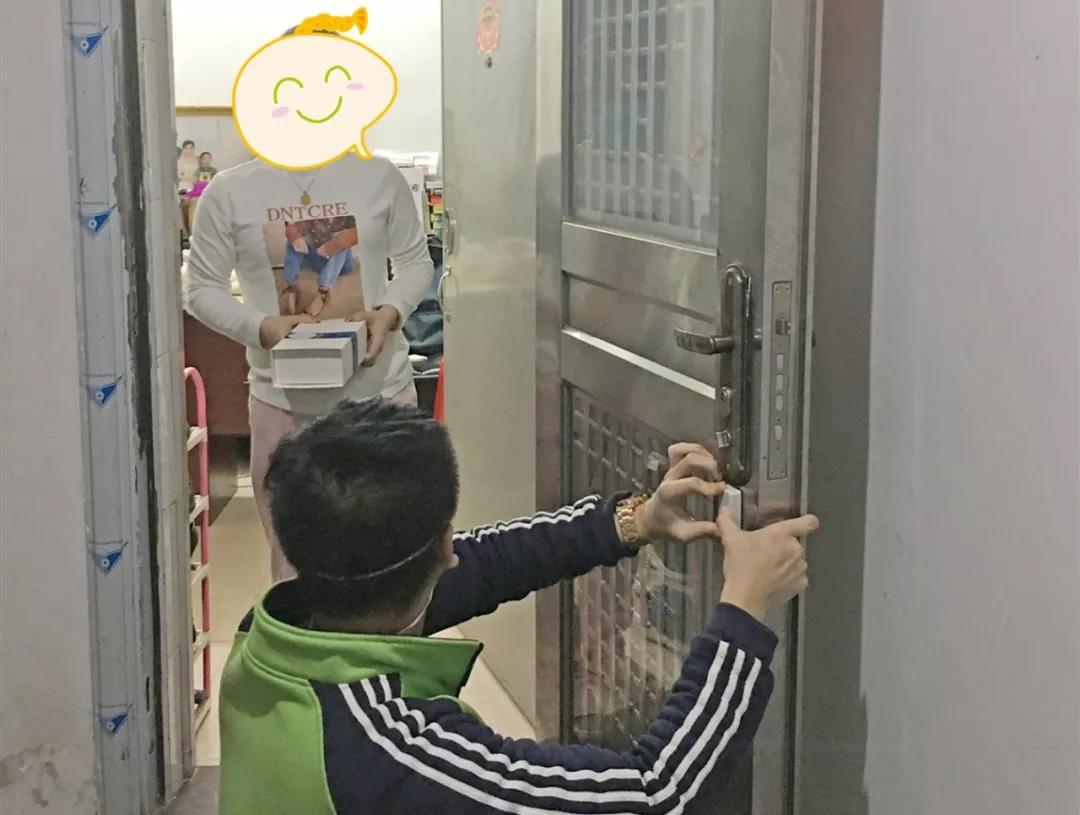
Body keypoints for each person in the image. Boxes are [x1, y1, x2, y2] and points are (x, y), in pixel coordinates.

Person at [218, 399, 819, 814]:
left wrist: (638, 518)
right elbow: (655, 795)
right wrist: (744, 608)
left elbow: (488, 562)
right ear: (444, 546)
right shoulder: (390, 752)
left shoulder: (272, 634)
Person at [184, 88, 433, 581]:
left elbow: (414, 262)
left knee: (396, 561)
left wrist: (388, 312)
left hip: (380, 396)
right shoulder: (230, 192)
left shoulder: (378, 176)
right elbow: (201, 289)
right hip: (283, 406)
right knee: (295, 566)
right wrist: (261, 327)